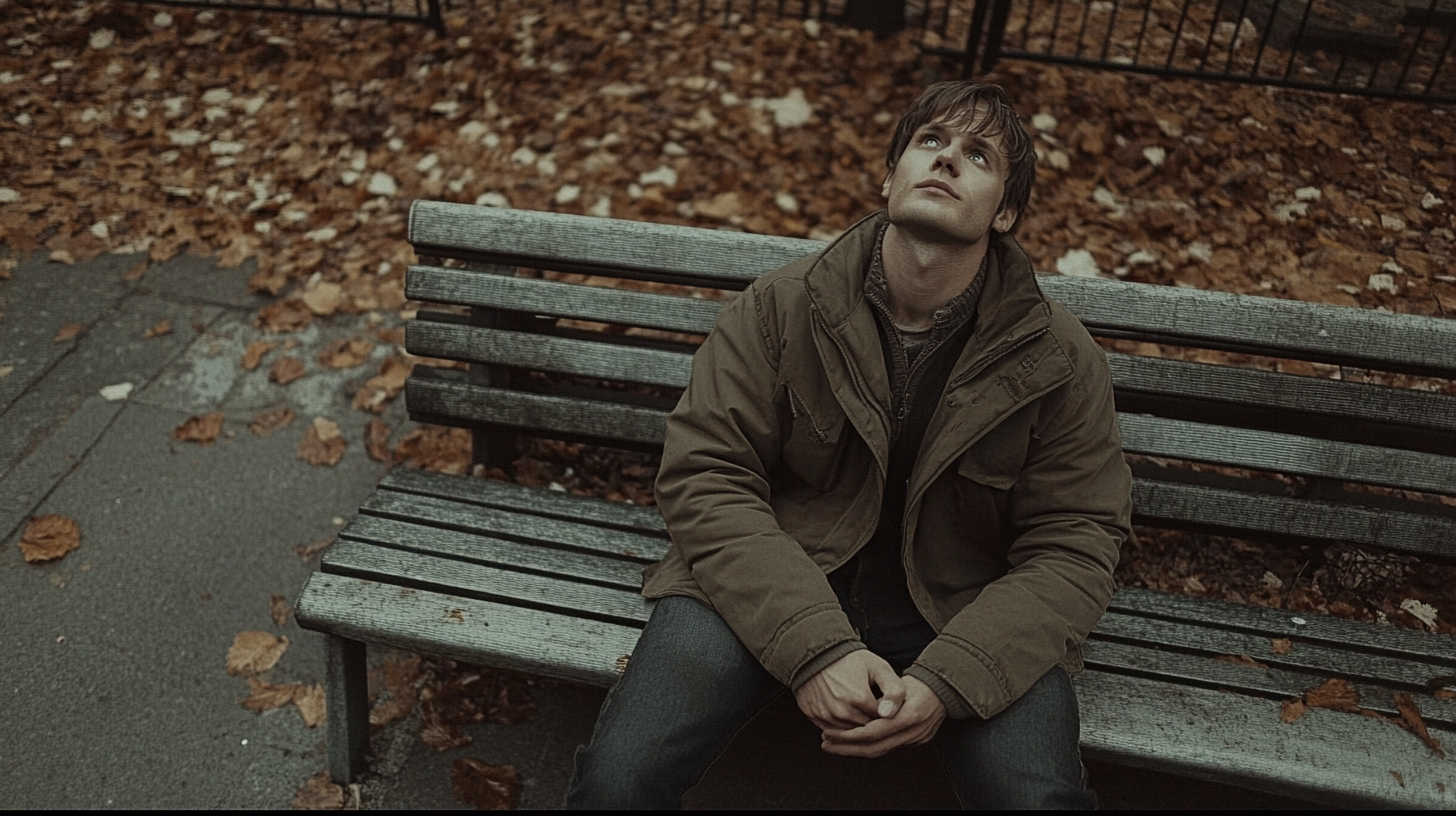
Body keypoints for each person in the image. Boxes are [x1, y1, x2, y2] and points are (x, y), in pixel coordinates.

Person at [564, 80, 1132, 809]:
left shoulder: (1057, 357)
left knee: (1038, 801)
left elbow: (1076, 544)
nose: (947, 160)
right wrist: (818, 647)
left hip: (961, 607)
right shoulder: (781, 307)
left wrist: (951, 677)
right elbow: (706, 476)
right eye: (930, 142)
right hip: (775, 575)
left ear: (1007, 212)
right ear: (889, 175)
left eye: (979, 155)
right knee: (620, 777)